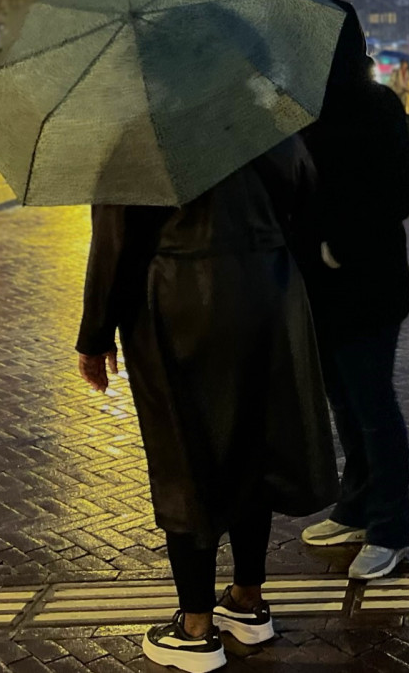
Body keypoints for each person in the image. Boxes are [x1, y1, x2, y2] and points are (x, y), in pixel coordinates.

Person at [78, 137, 337, 673]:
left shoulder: (139, 130)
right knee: (251, 442)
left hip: (179, 304)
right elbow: (310, 203)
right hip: (267, 293)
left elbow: (115, 240)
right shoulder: (261, 116)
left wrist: (95, 333)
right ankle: (247, 598)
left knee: (187, 454)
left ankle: (195, 627)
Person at [298, 1, 409, 581]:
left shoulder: (377, 106)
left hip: (368, 284)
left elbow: (397, 198)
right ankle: (356, 507)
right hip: (320, 290)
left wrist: (338, 245)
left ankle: (391, 528)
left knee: (373, 405)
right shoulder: (300, 111)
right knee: (343, 402)